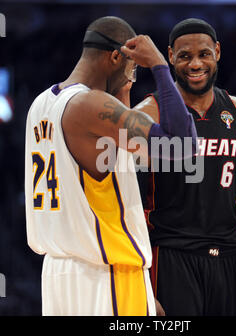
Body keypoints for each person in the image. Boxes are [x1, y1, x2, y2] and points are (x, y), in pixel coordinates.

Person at [24, 16, 198, 316]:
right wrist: (159, 65)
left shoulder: (40, 105)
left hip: (58, 275)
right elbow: (182, 144)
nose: (133, 76)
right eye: (131, 68)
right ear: (116, 56)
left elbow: (116, 162)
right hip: (108, 274)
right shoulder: (89, 105)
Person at [135, 18, 236, 315]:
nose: (195, 64)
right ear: (169, 56)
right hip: (172, 258)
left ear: (217, 51)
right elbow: (128, 204)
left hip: (229, 259)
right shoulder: (148, 113)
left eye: (203, 53)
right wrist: (139, 280)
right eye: (185, 56)